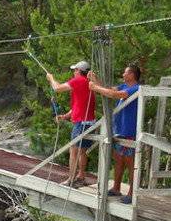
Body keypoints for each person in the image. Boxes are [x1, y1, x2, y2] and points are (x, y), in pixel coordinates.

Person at [89, 64, 141, 204]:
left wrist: (95, 87)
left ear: (131, 75)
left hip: (130, 131)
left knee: (131, 163)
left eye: (125, 73)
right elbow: (109, 90)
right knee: (118, 160)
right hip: (119, 130)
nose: (123, 75)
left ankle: (132, 193)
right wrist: (95, 80)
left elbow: (114, 95)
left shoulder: (136, 88)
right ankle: (116, 188)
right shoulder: (124, 86)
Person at [47, 60, 96, 186]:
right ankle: (81, 175)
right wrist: (65, 116)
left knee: (73, 150)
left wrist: (51, 78)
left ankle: (71, 179)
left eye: (75, 70)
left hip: (81, 123)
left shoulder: (79, 81)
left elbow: (57, 88)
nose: (73, 72)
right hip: (89, 122)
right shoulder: (88, 83)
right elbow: (78, 106)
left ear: (79, 71)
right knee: (82, 151)